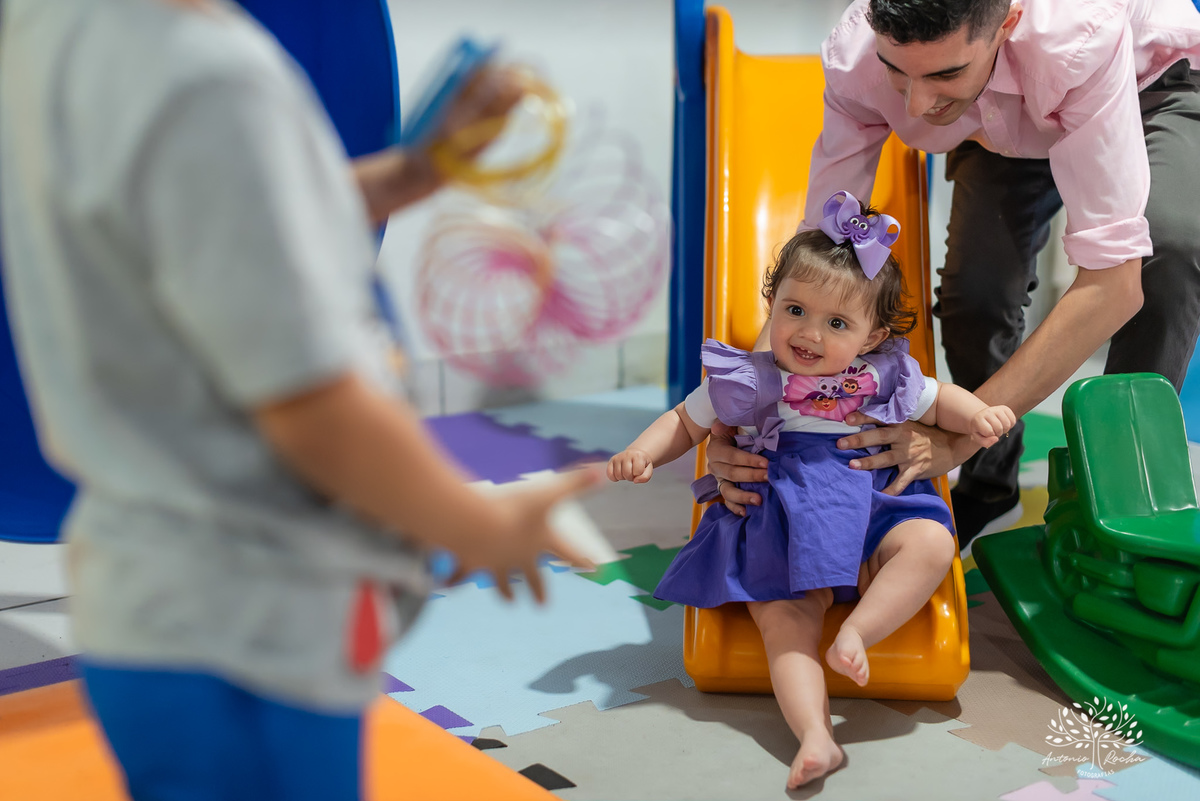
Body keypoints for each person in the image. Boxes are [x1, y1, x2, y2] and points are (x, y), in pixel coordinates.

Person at [0, 0, 596, 799]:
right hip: (258, 632)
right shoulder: (204, 74)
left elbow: (219, 214)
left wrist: (408, 176)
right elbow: (310, 409)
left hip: (142, 610)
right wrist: (477, 523)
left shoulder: (54, 31)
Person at [705, 0, 1200, 550]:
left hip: (1141, 83)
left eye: (944, 72)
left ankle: (1123, 497)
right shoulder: (856, 57)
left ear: (1007, 23)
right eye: (898, 70)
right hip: (1001, 123)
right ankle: (993, 483)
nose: (917, 104)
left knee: (1169, 254)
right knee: (975, 295)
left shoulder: (1077, 35)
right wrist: (745, 416)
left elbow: (1113, 285)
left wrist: (956, 438)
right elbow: (817, 258)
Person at [607, 191, 1016, 788]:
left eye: (837, 323)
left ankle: (859, 631)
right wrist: (643, 452)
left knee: (929, 542)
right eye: (795, 310)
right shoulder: (748, 376)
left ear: (873, 336)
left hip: (875, 505)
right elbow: (685, 420)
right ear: (771, 302)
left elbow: (939, 398)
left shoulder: (883, 375)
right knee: (784, 620)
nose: (810, 334)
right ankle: (816, 737)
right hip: (788, 516)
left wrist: (978, 415)